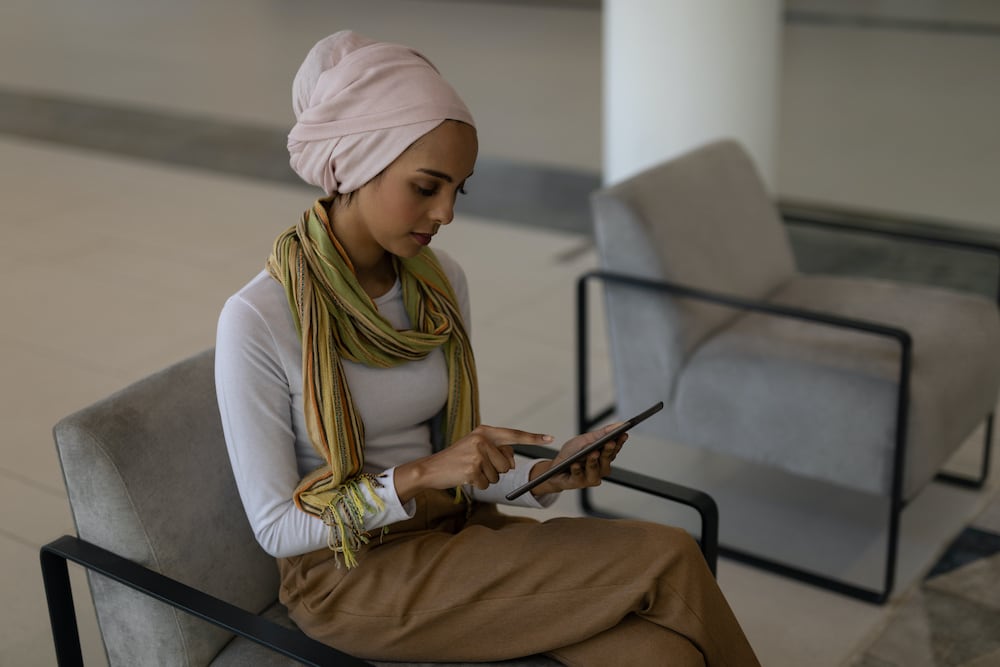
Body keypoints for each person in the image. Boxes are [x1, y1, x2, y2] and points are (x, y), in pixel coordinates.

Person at [215, 30, 760, 667]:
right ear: (354, 163)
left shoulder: (439, 283)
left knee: (662, 657)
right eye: (426, 187)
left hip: (452, 532)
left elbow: (465, 470)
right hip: (350, 573)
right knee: (668, 552)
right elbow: (276, 526)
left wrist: (544, 475)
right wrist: (420, 474)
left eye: (459, 190)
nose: (446, 213)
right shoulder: (259, 316)